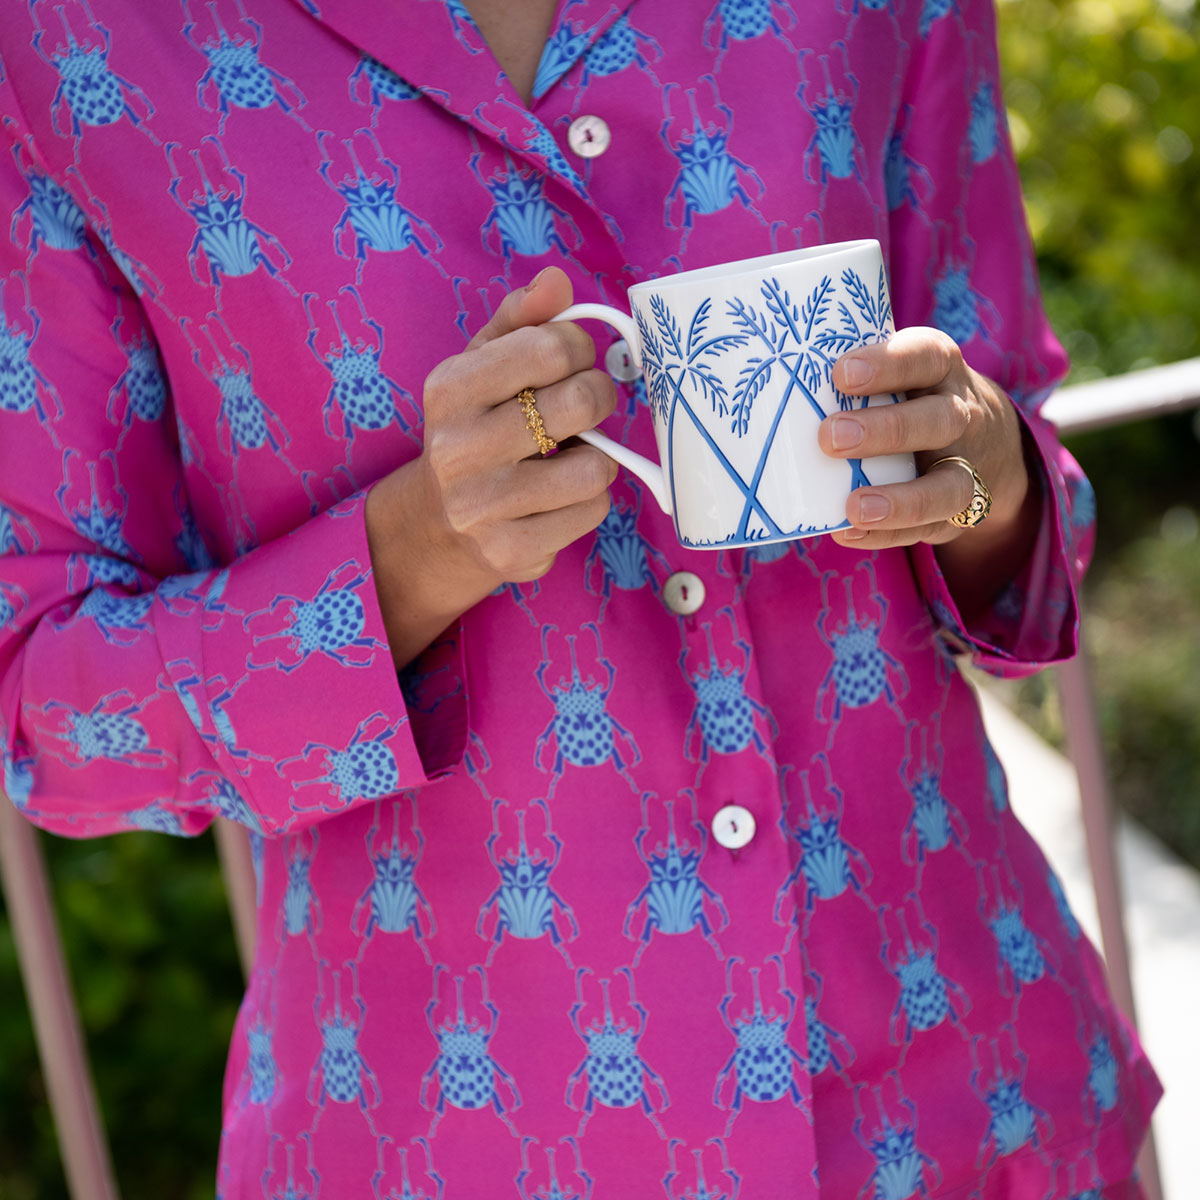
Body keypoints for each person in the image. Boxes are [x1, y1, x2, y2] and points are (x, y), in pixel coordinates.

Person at [0, 0, 1160, 1196]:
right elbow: (46, 702)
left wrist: (989, 476)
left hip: (974, 1102)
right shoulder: (68, 39)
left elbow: (1036, 501)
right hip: (450, 1142)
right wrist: (400, 563)